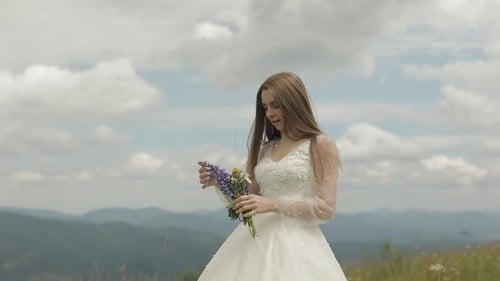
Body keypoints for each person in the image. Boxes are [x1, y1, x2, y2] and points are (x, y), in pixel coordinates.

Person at [197, 72, 347, 281]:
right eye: (265, 107)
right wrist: (219, 183)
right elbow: (251, 200)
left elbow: (326, 209)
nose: (269, 113)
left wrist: (273, 204)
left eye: (276, 105)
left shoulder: (320, 145)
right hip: (255, 242)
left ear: (295, 102)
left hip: (298, 246)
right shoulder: (265, 150)